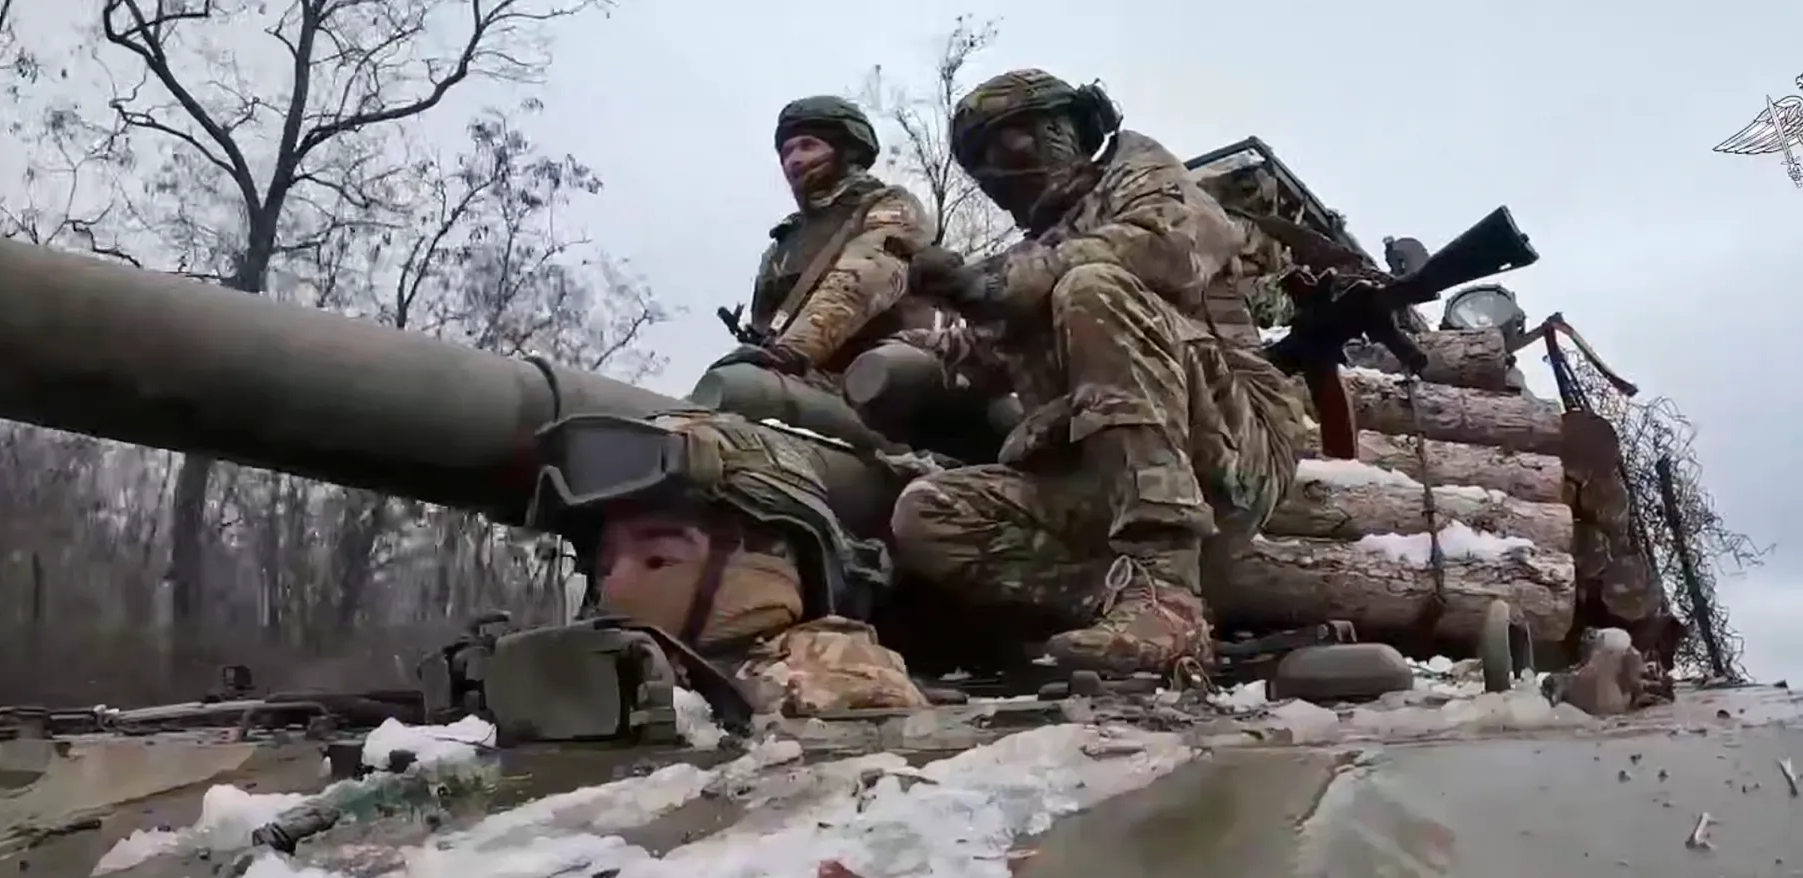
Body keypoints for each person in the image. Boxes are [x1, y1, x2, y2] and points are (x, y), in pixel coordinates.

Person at [887, 70, 1313, 676]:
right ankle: (1122, 599)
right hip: (1102, 485)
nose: (995, 170)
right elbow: (976, 355)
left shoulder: (1141, 172)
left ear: (1067, 128)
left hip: (1232, 452)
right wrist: (915, 328)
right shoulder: (1035, 254)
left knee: (1092, 288)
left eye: (1007, 141)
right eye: (979, 160)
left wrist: (1004, 282)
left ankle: (1166, 591)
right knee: (927, 511)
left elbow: (1169, 247)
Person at [527, 409, 928, 718]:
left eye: (656, 559)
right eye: (604, 568)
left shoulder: (827, 684)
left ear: (766, 566)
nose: (612, 591)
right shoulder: (607, 682)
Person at [718, 97, 936, 385]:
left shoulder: (890, 207)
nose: (794, 160)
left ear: (848, 151)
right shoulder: (785, 240)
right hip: (795, 382)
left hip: (879, 386)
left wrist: (792, 352)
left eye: (808, 146)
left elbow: (864, 276)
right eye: (786, 152)